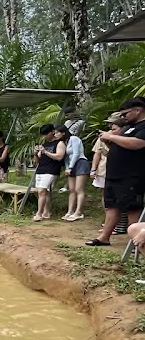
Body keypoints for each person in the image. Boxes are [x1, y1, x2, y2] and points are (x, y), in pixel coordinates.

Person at [86, 97, 145, 247]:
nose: (122, 117)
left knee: (132, 208)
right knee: (112, 206)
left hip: (131, 175)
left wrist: (112, 136)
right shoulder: (127, 127)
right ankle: (104, 237)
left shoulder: (143, 127)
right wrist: (110, 142)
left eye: (125, 114)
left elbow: (138, 144)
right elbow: (122, 145)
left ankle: (136, 243)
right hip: (114, 174)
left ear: (137, 110)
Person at [91, 115, 129, 236]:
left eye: (114, 126)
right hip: (109, 171)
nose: (110, 127)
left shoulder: (129, 137)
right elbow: (103, 152)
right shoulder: (108, 135)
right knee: (110, 201)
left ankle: (122, 227)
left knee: (123, 201)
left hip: (124, 174)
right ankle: (112, 226)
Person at [33, 123, 67, 222]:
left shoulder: (59, 143)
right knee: (44, 192)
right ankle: (46, 212)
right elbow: (37, 161)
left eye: (46, 133)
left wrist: (46, 152)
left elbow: (59, 156)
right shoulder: (44, 144)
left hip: (51, 170)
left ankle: (39, 213)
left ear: (52, 132)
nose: (45, 136)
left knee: (42, 191)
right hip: (41, 170)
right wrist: (35, 154)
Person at [62, 126, 90, 221]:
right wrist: (67, 167)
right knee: (72, 189)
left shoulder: (74, 139)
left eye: (57, 133)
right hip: (71, 165)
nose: (55, 135)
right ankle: (70, 211)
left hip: (80, 163)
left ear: (63, 133)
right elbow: (66, 157)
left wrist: (70, 167)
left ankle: (78, 212)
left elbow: (76, 153)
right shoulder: (64, 143)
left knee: (79, 189)